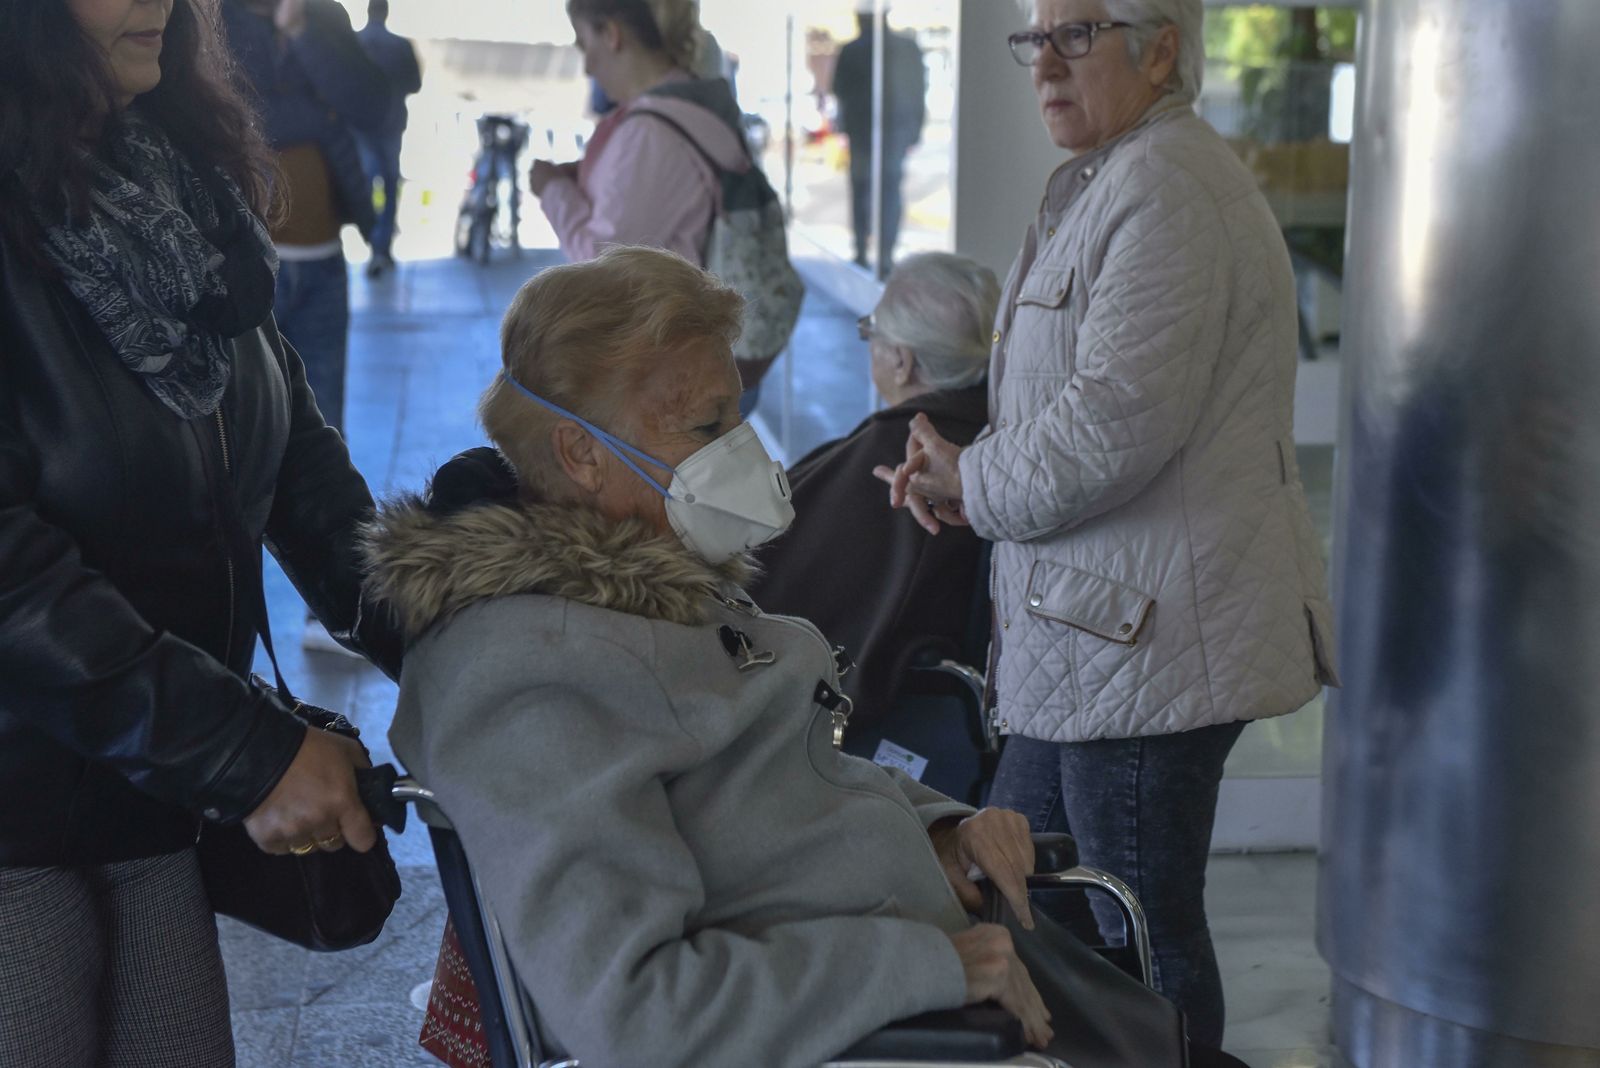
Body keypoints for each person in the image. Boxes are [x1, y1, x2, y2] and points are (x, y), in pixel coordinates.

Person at [365, 246, 1249, 1068]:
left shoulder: (651, 591)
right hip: (900, 1031)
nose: (742, 450)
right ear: (580, 454)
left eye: (735, 414)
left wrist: (943, 830)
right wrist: (929, 966)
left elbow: (787, 785)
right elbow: (638, 1013)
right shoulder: (533, 682)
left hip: (934, 982)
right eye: (706, 425)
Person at [877, 0, 1339, 1049]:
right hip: (1096, 631)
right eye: (1034, 38)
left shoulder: (1167, 187)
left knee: (1138, 926)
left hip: (1148, 642)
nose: (1044, 63)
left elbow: (1111, 424)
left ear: (1160, 47)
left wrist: (971, 477)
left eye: (1076, 35)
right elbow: (1076, 407)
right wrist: (962, 471)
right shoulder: (1116, 176)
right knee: (1040, 900)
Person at [0, 0, 402, 1062]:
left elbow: (292, 456)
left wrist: (449, 628)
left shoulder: (173, 178)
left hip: (147, 788)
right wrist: (247, 752)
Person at [749, 252, 998, 721]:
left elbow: (765, 576)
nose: (868, 343)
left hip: (858, 713)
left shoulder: (898, 452)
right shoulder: (1003, 442)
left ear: (902, 361)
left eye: (871, 330)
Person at [532, 0, 744, 269]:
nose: (587, 68)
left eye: (585, 44)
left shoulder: (651, 132)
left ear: (612, 35)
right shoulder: (686, 108)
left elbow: (602, 265)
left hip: (655, 298)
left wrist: (552, 188)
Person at [832, 2, 926, 272]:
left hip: (874, 133)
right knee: (886, 192)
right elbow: (918, 91)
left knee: (869, 191)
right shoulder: (904, 47)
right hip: (884, 133)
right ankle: (880, 253)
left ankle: (868, 252)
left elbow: (840, 90)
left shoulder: (856, 50)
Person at [356, 0, 423, 278]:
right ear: (386, 12)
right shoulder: (400, 45)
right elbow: (415, 84)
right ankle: (382, 246)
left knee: (368, 183)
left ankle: (374, 242)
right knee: (390, 183)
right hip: (392, 124)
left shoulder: (355, 42)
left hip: (361, 125)